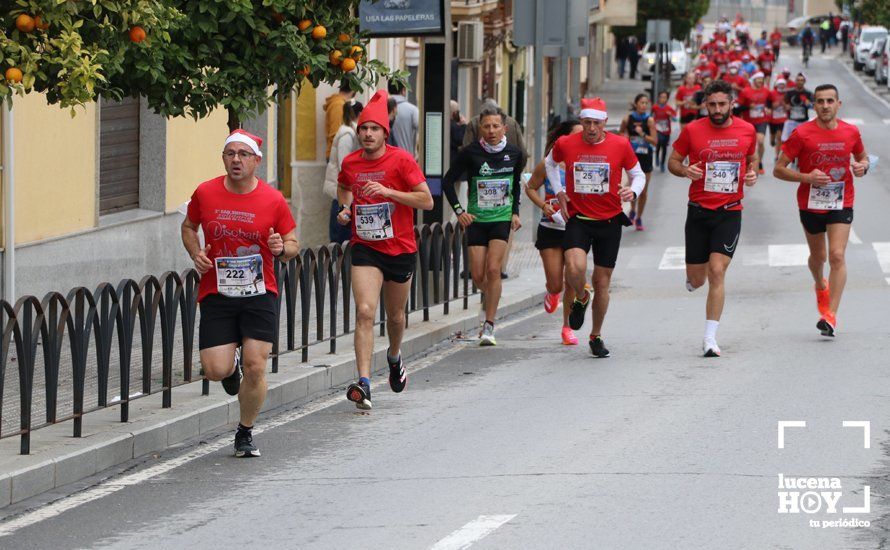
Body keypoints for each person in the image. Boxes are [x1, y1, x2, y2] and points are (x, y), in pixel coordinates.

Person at [182, 129, 299, 457]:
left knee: (257, 365)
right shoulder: (205, 193)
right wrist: (195, 254)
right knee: (215, 370)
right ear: (223, 158)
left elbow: (292, 244)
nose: (236, 159)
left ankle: (245, 431)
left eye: (243, 154)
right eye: (230, 153)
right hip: (217, 292)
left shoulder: (273, 199)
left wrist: (280, 249)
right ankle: (230, 370)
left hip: (260, 292)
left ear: (256, 161)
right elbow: (188, 227)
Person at [336, 89, 434, 410]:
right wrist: (345, 207)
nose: (367, 134)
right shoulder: (351, 163)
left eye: (374, 129)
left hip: (400, 247)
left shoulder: (402, 160)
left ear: (384, 133)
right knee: (365, 312)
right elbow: (343, 186)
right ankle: (363, 383)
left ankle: (394, 355)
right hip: (365, 246)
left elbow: (426, 200)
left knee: (395, 316)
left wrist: (390, 192)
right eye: (363, 128)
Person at [544, 97, 646, 357]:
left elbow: (639, 174)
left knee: (602, 282)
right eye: (586, 123)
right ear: (581, 122)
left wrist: (632, 192)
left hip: (610, 221)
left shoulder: (620, 145)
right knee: (575, 268)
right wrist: (560, 192)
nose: (591, 128)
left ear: (604, 123)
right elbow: (549, 164)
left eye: (596, 124)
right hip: (579, 219)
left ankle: (596, 335)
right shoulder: (566, 143)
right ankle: (580, 296)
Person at [667, 80, 758, 357]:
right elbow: (673, 161)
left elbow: (752, 158)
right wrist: (685, 171)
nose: (717, 109)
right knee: (698, 280)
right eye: (712, 104)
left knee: (717, 270)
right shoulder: (692, 130)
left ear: (732, 104)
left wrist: (752, 172)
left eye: (722, 104)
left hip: (729, 211)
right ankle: (694, 278)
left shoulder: (747, 130)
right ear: (705, 104)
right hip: (698, 211)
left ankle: (709, 338)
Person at [773, 84, 869, 337]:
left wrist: (862, 167)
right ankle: (819, 282)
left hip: (841, 201)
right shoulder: (802, 133)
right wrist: (806, 177)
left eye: (830, 101)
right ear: (813, 105)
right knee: (819, 258)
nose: (825, 106)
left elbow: (863, 158)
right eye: (820, 101)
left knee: (837, 256)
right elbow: (778, 169)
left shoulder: (851, 132)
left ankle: (831, 316)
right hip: (810, 203)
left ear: (839, 104)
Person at [443, 106, 524, 346]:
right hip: (477, 220)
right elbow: (448, 182)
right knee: (477, 274)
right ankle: (490, 297)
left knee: (493, 270)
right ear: (480, 128)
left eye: (495, 126)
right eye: (486, 126)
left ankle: (489, 325)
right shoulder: (470, 153)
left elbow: (516, 183)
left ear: (504, 128)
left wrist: (516, 213)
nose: (491, 131)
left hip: (501, 218)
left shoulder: (514, 153)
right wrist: (460, 212)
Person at [525, 120, 583, 345]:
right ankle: (551, 292)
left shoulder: (584, 165)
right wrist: (543, 205)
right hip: (550, 228)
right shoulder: (549, 164)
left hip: (575, 229)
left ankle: (567, 327)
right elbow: (529, 187)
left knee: (572, 279)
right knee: (557, 283)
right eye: (576, 136)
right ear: (564, 139)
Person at [324, 100, 363, 244]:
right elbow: (344, 163)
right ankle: (337, 256)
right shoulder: (347, 134)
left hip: (342, 187)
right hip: (339, 187)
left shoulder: (349, 131)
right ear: (359, 114)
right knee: (339, 227)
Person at [620, 93, 658, 231]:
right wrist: (627, 138)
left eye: (646, 103)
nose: (644, 105)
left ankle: (639, 217)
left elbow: (655, 141)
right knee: (632, 187)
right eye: (642, 102)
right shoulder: (627, 119)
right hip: (631, 157)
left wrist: (642, 134)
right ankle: (632, 210)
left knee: (643, 191)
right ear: (636, 104)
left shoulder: (650, 121)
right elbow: (620, 135)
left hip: (645, 157)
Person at [736, 72, 771, 174]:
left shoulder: (766, 91)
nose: (761, 81)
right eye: (758, 79)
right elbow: (738, 108)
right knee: (747, 144)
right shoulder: (745, 92)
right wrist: (748, 107)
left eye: (762, 79)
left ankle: (759, 162)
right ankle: (748, 162)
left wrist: (769, 109)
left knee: (760, 141)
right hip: (748, 122)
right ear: (754, 80)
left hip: (761, 120)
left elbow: (769, 102)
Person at [324, 81, 356, 159]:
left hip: (338, 153)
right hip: (336, 155)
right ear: (354, 89)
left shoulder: (340, 103)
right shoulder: (338, 105)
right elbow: (335, 133)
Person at [387, 81, 420, 157]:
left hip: (386, 158)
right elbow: (422, 131)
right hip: (406, 157)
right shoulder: (412, 110)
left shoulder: (381, 107)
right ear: (403, 90)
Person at [781, 73, 814, 147]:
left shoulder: (808, 93)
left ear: (804, 81)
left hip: (803, 121)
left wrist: (809, 104)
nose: (800, 82)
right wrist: (786, 106)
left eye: (802, 80)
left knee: (805, 142)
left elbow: (815, 106)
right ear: (795, 81)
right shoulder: (789, 92)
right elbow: (783, 101)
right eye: (798, 80)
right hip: (791, 121)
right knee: (785, 141)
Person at [652, 90, 677, 173]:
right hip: (657, 130)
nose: (663, 99)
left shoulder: (669, 108)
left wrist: (670, 115)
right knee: (658, 144)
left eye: (664, 97)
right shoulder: (655, 107)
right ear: (658, 98)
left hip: (666, 131)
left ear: (667, 99)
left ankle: (662, 163)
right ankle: (656, 157)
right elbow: (650, 116)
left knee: (664, 147)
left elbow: (675, 118)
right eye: (661, 97)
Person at [768, 78, 788, 157]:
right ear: (777, 85)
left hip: (783, 119)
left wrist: (783, 104)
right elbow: (767, 105)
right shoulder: (772, 93)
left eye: (783, 85)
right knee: (773, 136)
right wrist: (773, 106)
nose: (782, 86)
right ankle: (772, 139)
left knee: (779, 137)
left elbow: (789, 107)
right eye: (780, 85)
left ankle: (777, 155)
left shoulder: (787, 94)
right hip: (773, 119)